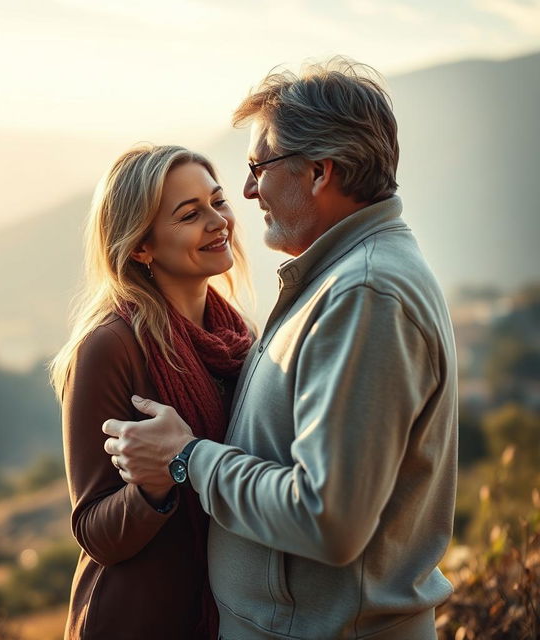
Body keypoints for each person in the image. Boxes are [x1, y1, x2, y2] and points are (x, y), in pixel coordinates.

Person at [103, 60, 458, 640]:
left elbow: (328, 520)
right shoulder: (340, 279)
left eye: (258, 167)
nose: (246, 192)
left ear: (319, 172)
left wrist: (190, 458)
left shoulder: (364, 296)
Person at [50, 144, 253, 639]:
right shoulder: (109, 346)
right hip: (137, 622)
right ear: (141, 246)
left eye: (218, 201)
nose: (217, 221)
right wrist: (156, 486)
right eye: (189, 214)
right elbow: (94, 530)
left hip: (229, 617)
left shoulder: (240, 338)